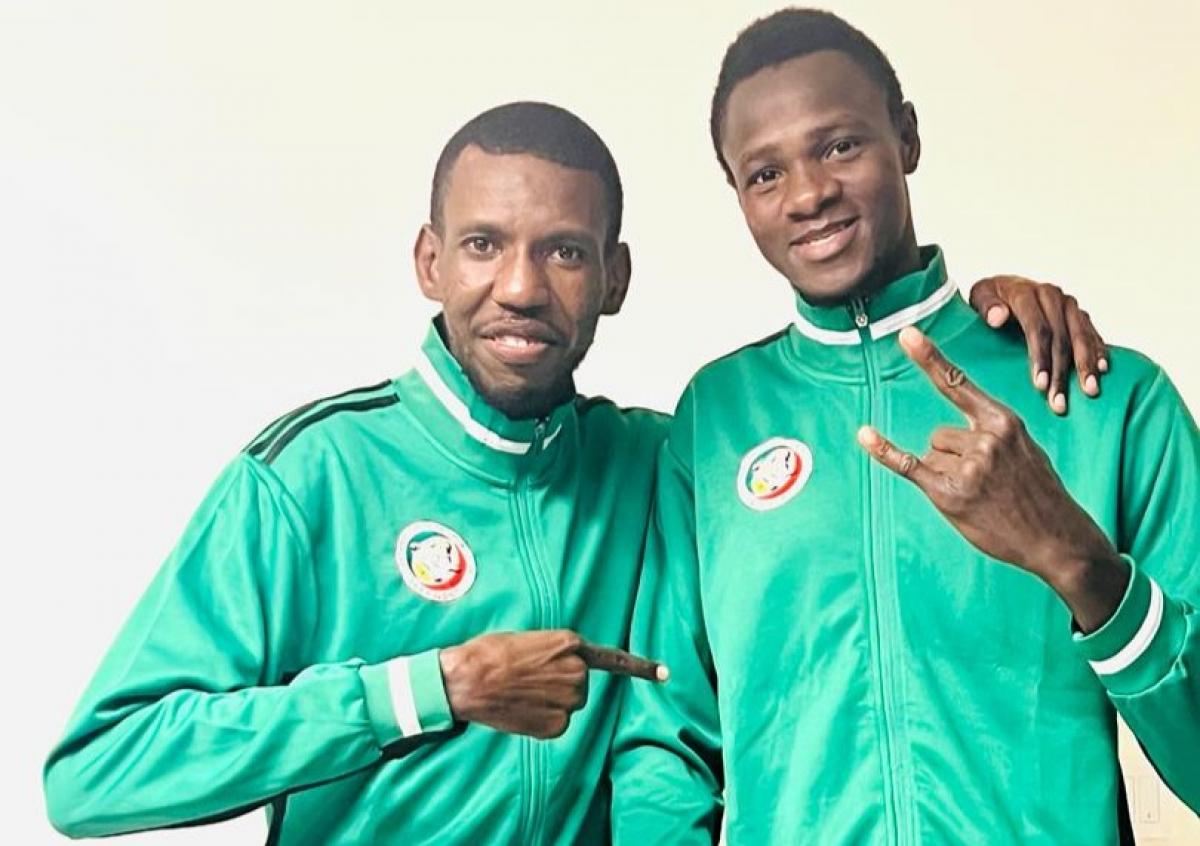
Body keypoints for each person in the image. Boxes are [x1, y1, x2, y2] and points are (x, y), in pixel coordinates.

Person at [44, 100, 1102, 843]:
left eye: (561, 251)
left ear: (614, 277)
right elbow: (95, 774)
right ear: (429, 261)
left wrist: (993, 315)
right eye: (481, 246)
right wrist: (431, 689)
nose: (518, 286)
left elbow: (841, 407)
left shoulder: (666, 455)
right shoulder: (308, 477)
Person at [611, 9, 1199, 845]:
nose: (809, 194)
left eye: (840, 145)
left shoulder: (1103, 394)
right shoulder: (714, 419)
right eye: (765, 174)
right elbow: (665, 740)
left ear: (907, 138)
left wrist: (1082, 566)